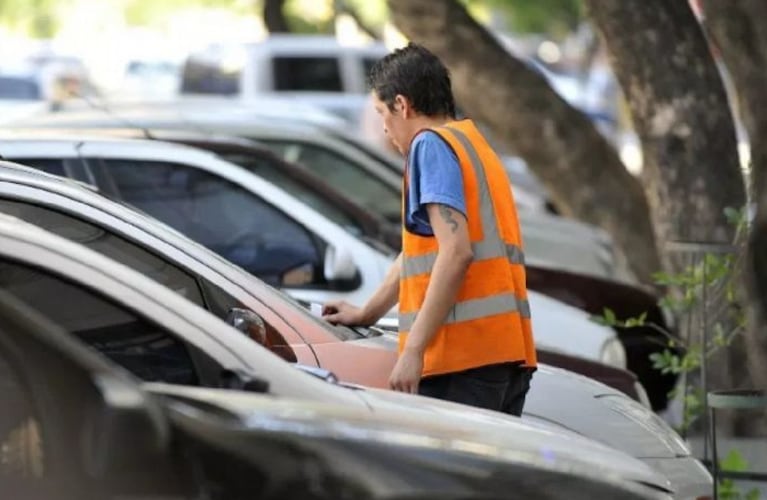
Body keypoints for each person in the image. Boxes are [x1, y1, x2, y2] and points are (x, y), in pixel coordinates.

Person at [323, 43, 536, 416]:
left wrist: (413, 351)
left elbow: (455, 252)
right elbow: (424, 251)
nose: (385, 128)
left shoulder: (429, 146)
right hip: (503, 356)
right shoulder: (471, 142)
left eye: (381, 113)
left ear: (402, 105)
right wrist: (368, 313)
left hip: (461, 363)